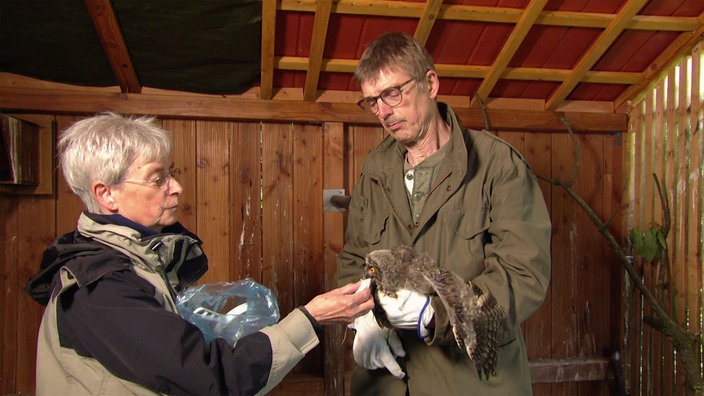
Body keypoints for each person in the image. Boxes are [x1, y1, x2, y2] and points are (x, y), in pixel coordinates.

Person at [25, 112, 374, 395]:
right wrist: (311, 317)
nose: (176, 187)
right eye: (157, 178)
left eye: (171, 174)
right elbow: (212, 379)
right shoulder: (101, 287)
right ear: (107, 195)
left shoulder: (130, 261)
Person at [337, 32, 551, 394]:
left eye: (392, 93)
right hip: (388, 382)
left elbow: (523, 274)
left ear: (430, 84)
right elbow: (354, 258)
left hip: (470, 381)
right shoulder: (375, 169)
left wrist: (435, 315)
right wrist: (362, 319)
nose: (384, 112)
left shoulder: (497, 166)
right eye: (373, 101)